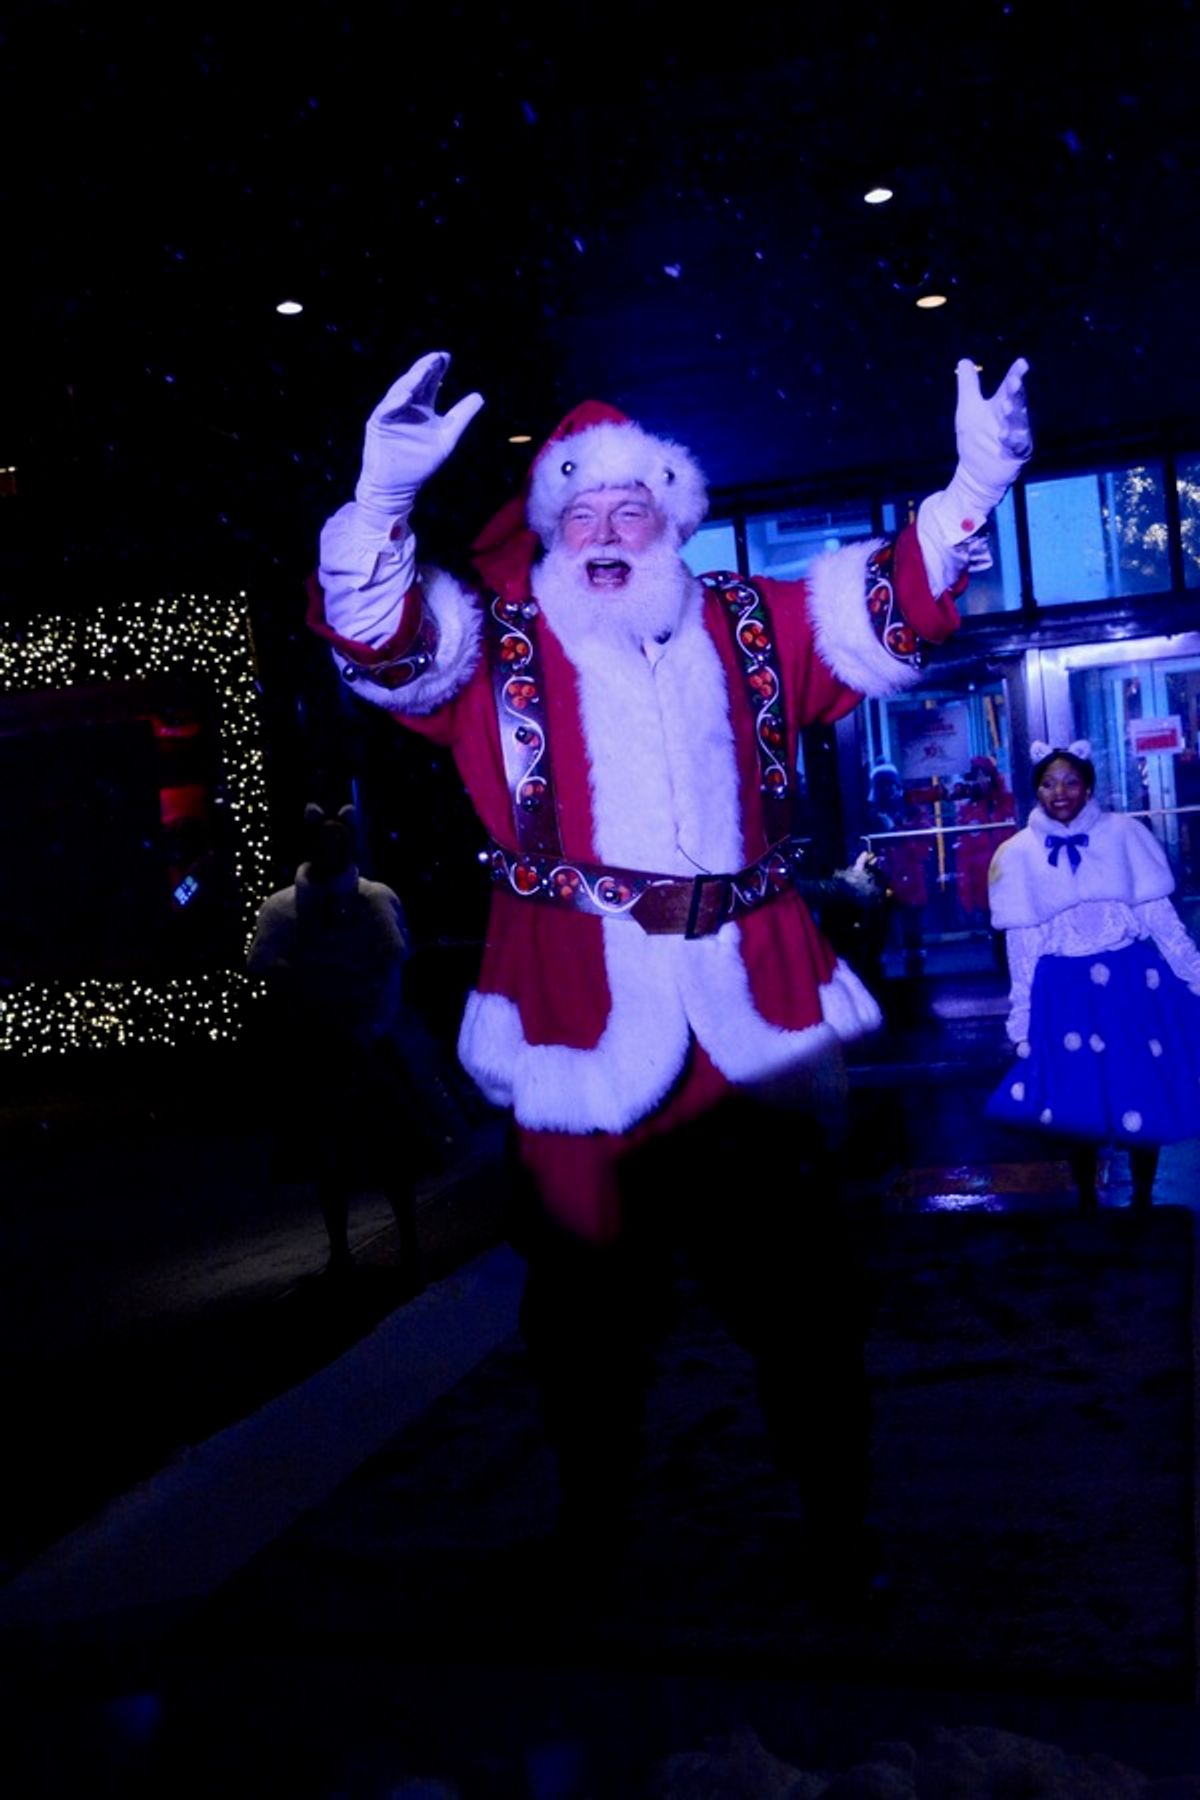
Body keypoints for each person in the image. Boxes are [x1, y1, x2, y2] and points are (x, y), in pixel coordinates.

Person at [306, 348, 1031, 1581]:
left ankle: (839, 1531)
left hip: (747, 1038)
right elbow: (379, 635)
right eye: (581, 509)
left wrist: (971, 489)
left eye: (631, 506)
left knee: (805, 1307)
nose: (606, 527)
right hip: (580, 1031)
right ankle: (593, 1531)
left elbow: (894, 610)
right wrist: (376, 507)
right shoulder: (494, 649)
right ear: (549, 531)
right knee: (584, 1324)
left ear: (673, 521)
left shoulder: (753, 626)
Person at [985, 741, 1200, 1211]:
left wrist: (1193, 971)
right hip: (1063, 992)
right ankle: (1085, 1197)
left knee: (1140, 1081)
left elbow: (1160, 918)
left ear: (1088, 787)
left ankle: (1143, 1195)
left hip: (1128, 984)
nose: (1059, 792)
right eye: (1048, 783)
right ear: (1035, 789)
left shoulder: (1124, 834)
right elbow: (1021, 948)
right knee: (1074, 1091)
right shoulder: (1017, 854)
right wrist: (1020, 1016)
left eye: (1070, 782)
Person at [248, 803, 423, 1288]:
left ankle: (409, 1242)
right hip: (319, 1046)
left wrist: (369, 1027)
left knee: (390, 1150)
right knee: (330, 1157)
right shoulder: (284, 907)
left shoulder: (374, 899)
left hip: (366, 1041)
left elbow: (391, 965)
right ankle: (342, 1250)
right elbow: (264, 963)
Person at [950, 752, 1016, 924]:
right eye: (977, 777)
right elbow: (964, 854)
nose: (982, 781)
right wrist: (967, 892)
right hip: (983, 880)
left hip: (1008, 878)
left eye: (985, 775)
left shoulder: (1007, 803)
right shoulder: (967, 812)